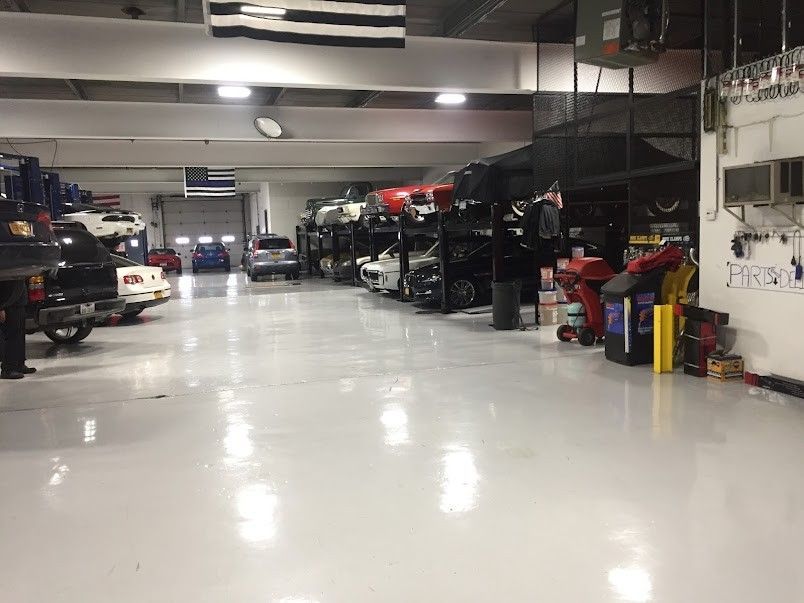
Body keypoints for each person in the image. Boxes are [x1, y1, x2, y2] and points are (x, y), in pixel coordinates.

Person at [0, 280, 34, 380]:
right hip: (6, 302)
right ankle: (8, 369)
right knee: (11, 334)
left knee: (20, 334)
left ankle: (19, 364)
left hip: (19, 300)